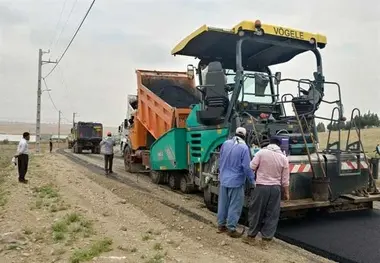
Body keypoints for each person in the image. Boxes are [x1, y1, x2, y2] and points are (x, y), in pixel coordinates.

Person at [242, 137, 290, 247]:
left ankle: (251, 237)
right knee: (272, 214)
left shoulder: (261, 153)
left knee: (256, 211)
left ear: (270, 143)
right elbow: (285, 180)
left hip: (261, 187)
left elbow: (251, 167)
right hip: (275, 189)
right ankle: (266, 241)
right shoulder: (283, 158)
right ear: (279, 145)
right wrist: (287, 193)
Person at [217, 127, 255, 238]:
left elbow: (221, 158)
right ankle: (231, 228)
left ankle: (221, 225)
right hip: (236, 182)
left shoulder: (226, 143)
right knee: (235, 205)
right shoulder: (244, 148)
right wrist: (252, 181)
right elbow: (246, 167)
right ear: (245, 136)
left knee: (223, 204)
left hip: (224, 179)